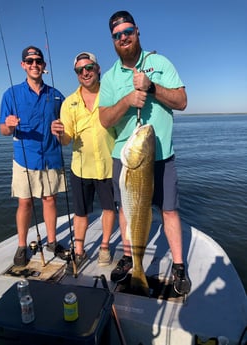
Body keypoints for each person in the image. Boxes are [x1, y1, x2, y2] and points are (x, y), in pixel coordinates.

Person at [99, 11, 191, 295]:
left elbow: (182, 101)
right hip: (126, 158)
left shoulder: (159, 62)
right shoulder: (111, 77)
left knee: (169, 210)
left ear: (137, 31)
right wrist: (127, 100)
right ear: (113, 40)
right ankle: (130, 260)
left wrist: (151, 87)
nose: (123, 38)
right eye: (117, 35)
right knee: (126, 210)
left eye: (127, 31)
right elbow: (104, 119)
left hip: (160, 156)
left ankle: (177, 266)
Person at [0, 46, 67, 267]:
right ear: (23, 65)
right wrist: (8, 126)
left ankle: (52, 241)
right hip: (24, 158)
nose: (34, 64)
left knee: (50, 200)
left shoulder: (56, 95)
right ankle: (21, 245)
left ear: (44, 65)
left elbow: (67, 127)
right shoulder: (10, 94)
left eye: (38, 61)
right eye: (30, 61)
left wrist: (61, 128)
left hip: (51, 156)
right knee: (25, 202)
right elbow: (3, 129)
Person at [51, 52, 116, 269]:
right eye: (80, 70)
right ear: (77, 74)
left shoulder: (111, 95)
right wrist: (59, 133)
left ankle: (105, 247)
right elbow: (66, 140)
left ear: (98, 69)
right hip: (80, 169)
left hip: (109, 166)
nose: (85, 72)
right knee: (80, 213)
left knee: (109, 209)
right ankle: (79, 250)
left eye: (89, 67)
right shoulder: (69, 103)